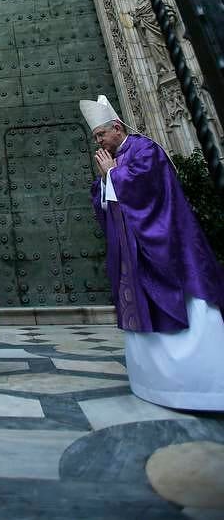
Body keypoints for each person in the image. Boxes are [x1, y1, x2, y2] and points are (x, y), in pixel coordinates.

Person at [80, 94, 224, 410]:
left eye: (101, 134)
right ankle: (155, 383)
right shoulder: (116, 158)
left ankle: (200, 387)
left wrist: (112, 176)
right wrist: (107, 180)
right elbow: (106, 198)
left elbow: (147, 189)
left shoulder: (145, 150)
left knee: (186, 309)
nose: (99, 142)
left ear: (117, 127)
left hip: (167, 247)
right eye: (96, 137)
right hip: (136, 254)